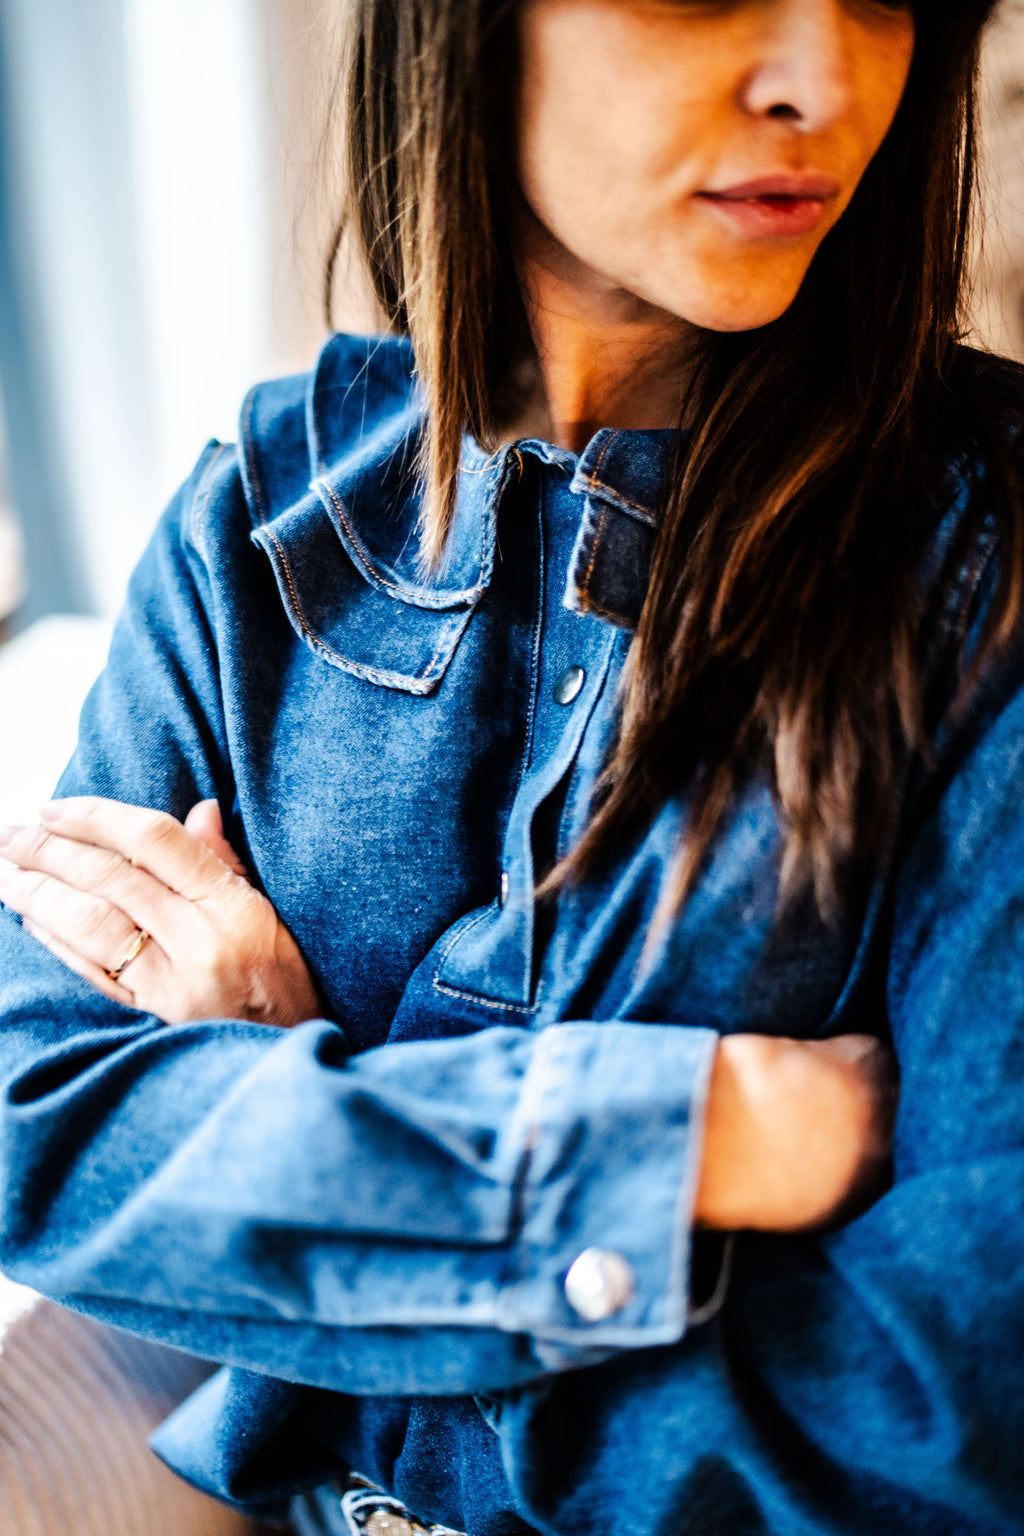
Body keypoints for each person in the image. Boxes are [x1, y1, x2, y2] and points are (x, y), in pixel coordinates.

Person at [0, 0, 1020, 1532]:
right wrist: (696, 1136)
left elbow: (960, 1416)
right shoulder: (254, 522)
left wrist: (293, 1145)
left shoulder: (991, 564)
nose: (827, 82)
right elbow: (39, 1118)